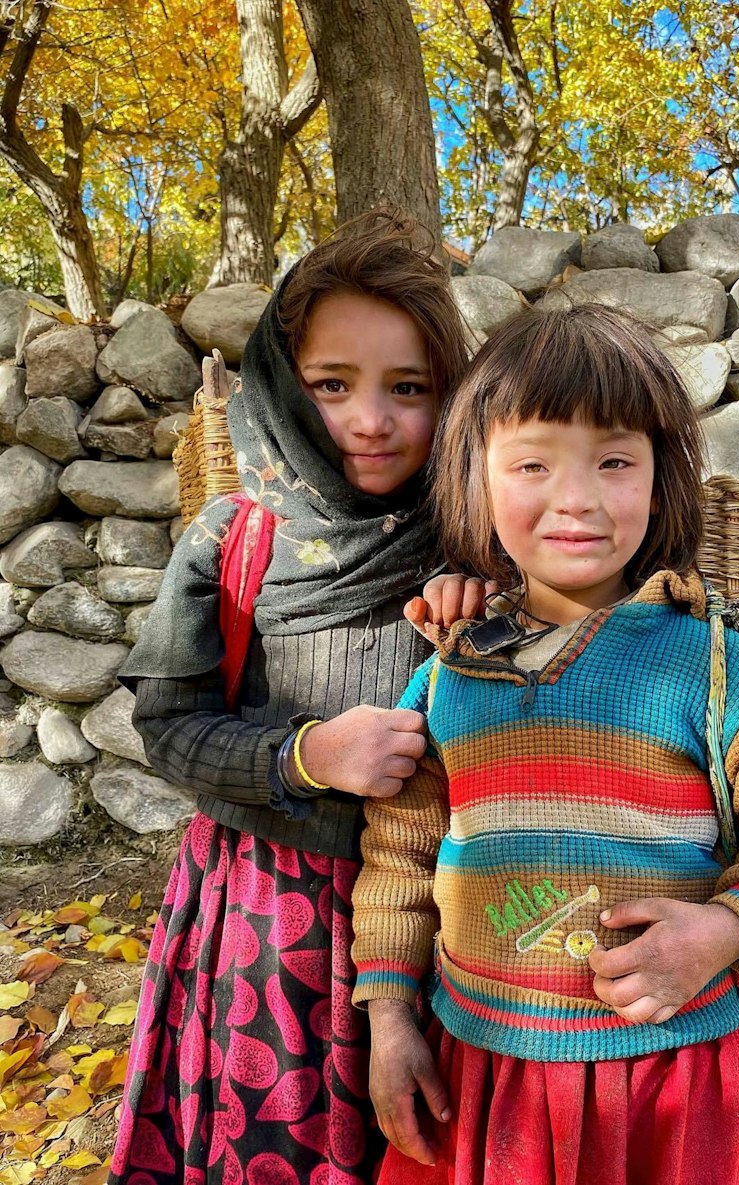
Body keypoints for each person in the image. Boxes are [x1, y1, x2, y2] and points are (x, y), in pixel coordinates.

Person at [350, 304, 739, 1185]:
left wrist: (720, 928)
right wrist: (391, 1018)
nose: (578, 497)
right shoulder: (454, 670)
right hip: (484, 1061)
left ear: (664, 478)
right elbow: (398, 853)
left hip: (670, 1077)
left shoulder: (716, 667)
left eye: (616, 461)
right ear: (476, 482)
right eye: (532, 464)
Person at [108, 209, 481, 1185]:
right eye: (331, 385)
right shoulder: (233, 542)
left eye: (410, 388)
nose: (370, 419)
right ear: (279, 385)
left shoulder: (481, 542)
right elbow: (169, 726)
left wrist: (493, 614)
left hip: (443, 928)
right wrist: (308, 756)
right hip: (270, 927)